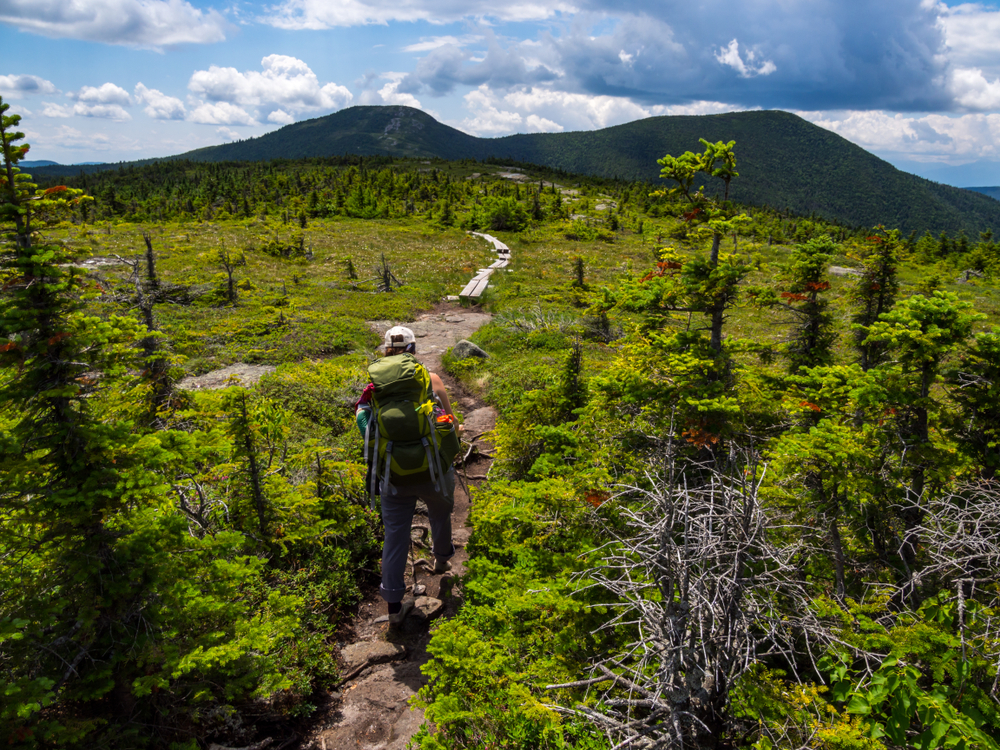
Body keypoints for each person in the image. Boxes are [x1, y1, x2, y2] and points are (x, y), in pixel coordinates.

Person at [356, 326, 461, 629]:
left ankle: (392, 606)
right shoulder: (431, 380)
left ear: (386, 351)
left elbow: (363, 423)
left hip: (392, 475)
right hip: (432, 470)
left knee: (395, 535)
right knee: (440, 512)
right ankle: (441, 558)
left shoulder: (374, 389)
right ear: (413, 350)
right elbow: (447, 421)